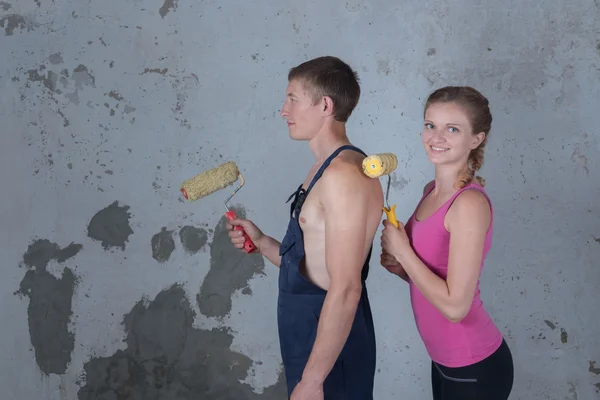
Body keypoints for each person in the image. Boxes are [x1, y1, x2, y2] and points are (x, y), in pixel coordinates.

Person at [226, 56, 383, 399]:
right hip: (306, 331)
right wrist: (264, 242)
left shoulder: (344, 176)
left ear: (325, 105)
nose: (284, 110)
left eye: (293, 99)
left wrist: (313, 381)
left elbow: (345, 288)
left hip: (330, 340)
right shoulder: (321, 169)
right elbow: (315, 267)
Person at [380, 86, 514, 400]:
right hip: (443, 360)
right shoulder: (431, 190)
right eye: (431, 125)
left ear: (476, 139)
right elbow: (435, 278)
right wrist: (401, 267)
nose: (436, 137)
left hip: (474, 366)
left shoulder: (468, 205)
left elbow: (455, 307)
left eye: (452, 129)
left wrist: (403, 250)